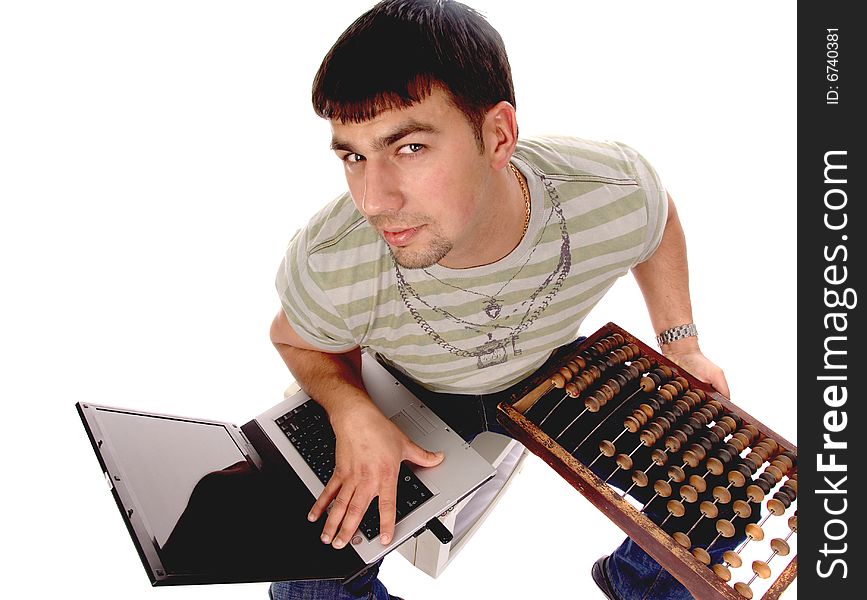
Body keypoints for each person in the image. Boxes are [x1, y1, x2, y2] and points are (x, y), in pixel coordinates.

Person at [268, 1, 730, 598]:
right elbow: (292, 336)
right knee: (310, 556)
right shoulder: (333, 258)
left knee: (726, 489)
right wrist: (352, 411)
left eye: (408, 148)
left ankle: (636, 584)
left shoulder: (605, 188)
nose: (374, 199)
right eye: (354, 156)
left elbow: (655, 217)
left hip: (554, 371)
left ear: (497, 135)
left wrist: (683, 346)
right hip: (413, 387)